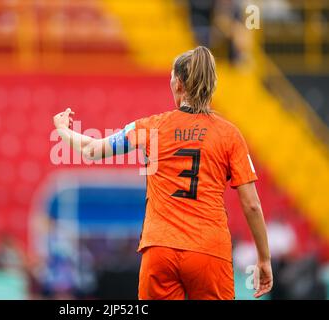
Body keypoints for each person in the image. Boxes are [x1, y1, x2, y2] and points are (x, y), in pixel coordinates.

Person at [52, 46, 273, 300]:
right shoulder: (229, 134)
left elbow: (91, 150)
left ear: (178, 84)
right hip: (209, 250)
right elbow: (252, 205)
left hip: (160, 248)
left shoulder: (151, 127)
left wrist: (63, 130)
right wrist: (264, 258)